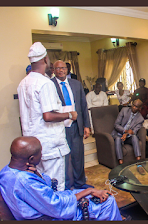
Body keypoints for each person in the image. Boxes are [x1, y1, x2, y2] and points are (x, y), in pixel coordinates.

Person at [0, 136, 122, 221]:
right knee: (108, 202)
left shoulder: (6, 172)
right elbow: (56, 206)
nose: (42, 155)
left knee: (83, 192)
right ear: (31, 159)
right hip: (51, 215)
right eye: (40, 153)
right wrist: (88, 191)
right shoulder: (24, 181)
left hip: (47, 206)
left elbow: (44, 189)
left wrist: (38, 175)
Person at [17, 42, 77, 191]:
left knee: (41, 185)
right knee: (55, 185)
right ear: (45, 59)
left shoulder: (23, 83)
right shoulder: (45, 83)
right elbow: (48, 115)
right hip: (50, 145)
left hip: (33, 145)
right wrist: (70, 114)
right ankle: (59, 214)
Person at [51, 60, 92, 190]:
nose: (61, 70)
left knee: (78, 156)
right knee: (64, 159)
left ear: (67, 70)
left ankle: (79, 183)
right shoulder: (50, 85)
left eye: (63, 68)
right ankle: (67, 186)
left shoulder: (76, 84)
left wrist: (86, 125)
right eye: (58, 68)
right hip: (60, 127)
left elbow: (83, 106)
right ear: (54, 70)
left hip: (76, 125)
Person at [111, 99, 145, 170]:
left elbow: (134, 131)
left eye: (136, 106)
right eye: (133, 105)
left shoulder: (140, 119)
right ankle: (121, 165)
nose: (133, 107)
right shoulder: (124, 110)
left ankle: (139, 163)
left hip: (128, 137)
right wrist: (125, 131)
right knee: (118, 139)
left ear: (139, 108)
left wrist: (127, 134)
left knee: (135, 137)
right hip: (118, 134)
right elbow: (116, 125)